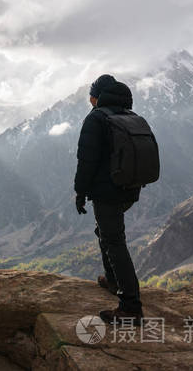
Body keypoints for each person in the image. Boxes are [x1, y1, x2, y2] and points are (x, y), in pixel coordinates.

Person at [74, 74, 143, 325]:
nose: (90, 100)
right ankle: (113, 282)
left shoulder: (97, 118)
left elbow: (87, 160)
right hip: (129, 188)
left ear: (97, 96)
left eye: (92, 95)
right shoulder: (128, 116)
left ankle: (131, 306)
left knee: (114, 241)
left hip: (107, 191)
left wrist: (80, 192)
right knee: (105, 232)